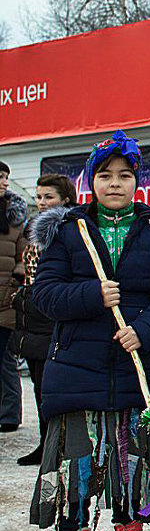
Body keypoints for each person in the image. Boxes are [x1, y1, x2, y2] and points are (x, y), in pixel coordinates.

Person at [27, 131, 150, 531]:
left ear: (137, 181)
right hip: (79, 365)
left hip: (140, 365)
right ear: (90, 181)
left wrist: (146, 330)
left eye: (124, 175)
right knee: (81, 456)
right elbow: (45, 295)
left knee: (133, 454)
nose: (114, 184)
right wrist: (91, 293)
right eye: (104, 175)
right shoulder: (67, 231)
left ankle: (130, 530)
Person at [11, 174, 76, 465]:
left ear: (65, 199)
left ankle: (61, 446)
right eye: (38, 197)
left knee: (56, 387)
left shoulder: (69, 230)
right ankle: (46, 444)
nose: (41, 202)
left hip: (55, 317)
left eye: (48, 196)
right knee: (39, 387)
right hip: (34, 316)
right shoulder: (35, 229)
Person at [0, 160, 29, 433]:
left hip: (6, 299)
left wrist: (14, 286)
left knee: (5, 358)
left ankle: (10, 414)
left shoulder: (15, 217)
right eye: (0, 176)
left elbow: (23, 257)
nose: (5, 182)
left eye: (6, 177)